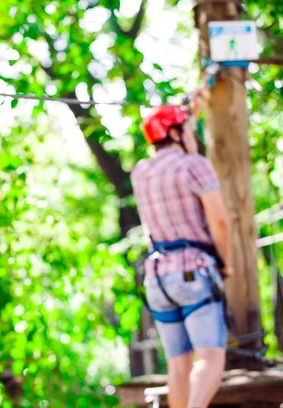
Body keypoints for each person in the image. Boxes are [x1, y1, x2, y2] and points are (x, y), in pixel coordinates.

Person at [131, 95, 232, 408]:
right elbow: (218, 220)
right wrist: (225, 263)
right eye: (189, 129)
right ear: (175, 134)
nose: (194, 135)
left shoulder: (141, 172)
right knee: (212, 358)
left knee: (178, 368)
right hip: (194, 272)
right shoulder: (194, 165)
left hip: (158, 278)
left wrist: (193, 104)